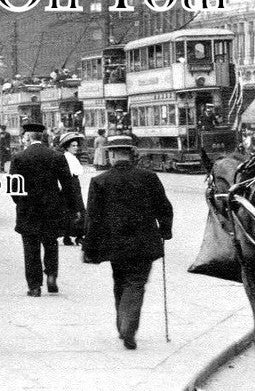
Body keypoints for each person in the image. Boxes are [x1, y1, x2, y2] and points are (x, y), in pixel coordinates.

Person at [82, 134, 173, 350]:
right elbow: (165, 208)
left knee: (120, 281)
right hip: (144, 243)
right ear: (131, 154)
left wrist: (89, 248)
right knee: (136, 283)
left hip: (114, 245)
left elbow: (92, 218)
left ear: (111, 155)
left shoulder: (100, 181)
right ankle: (128, 327)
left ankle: (123, 324)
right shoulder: (149, 177)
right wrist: (165, 231)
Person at [10, 121, 77, 296]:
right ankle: (52, 277)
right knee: (51, 243)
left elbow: (13, 188)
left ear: (27, 137)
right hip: (52, 209)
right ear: (42, 137)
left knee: (30, 247)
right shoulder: (56, 156)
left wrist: (21, 202)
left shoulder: (19, 157)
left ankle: (34, 286)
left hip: (28, 209)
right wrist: (63, 204)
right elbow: (68, 185)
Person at [58, 133, 87, 246]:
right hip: (70, 186)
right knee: (74, 210)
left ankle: (74, 236)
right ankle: (73, 236)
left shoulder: (72, 157)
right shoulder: (66, 158)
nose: (76, 148)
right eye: (73, 146)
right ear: (67, 147)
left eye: (76, 145)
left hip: (74, 184)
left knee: (75, 210)